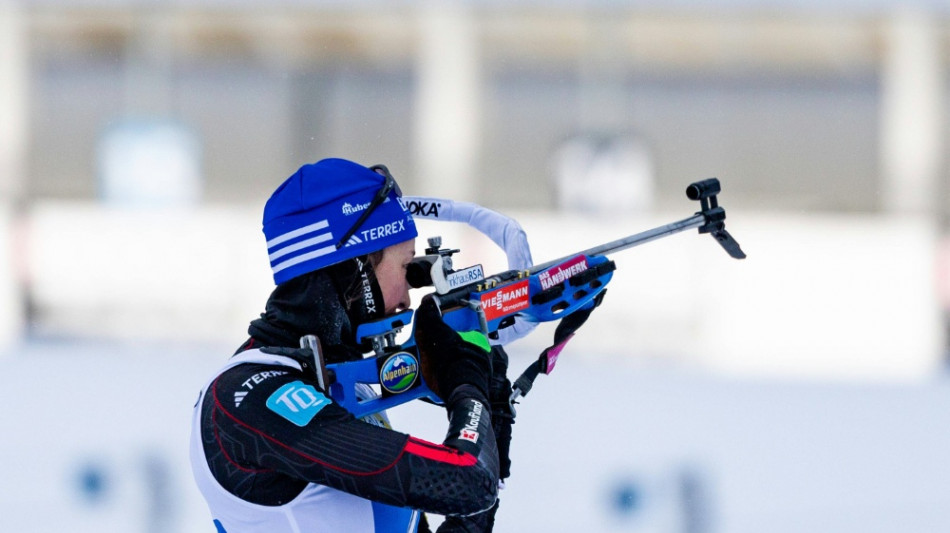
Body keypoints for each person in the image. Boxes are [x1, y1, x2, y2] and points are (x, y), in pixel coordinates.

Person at [190, 158, 511, 533]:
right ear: (356, 268)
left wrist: (492, 415)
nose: (408, 298)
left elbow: (470, 496)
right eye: (407, 269)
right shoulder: (245, 397)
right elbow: (466, 481)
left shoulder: (339, 385)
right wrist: (467, 389)